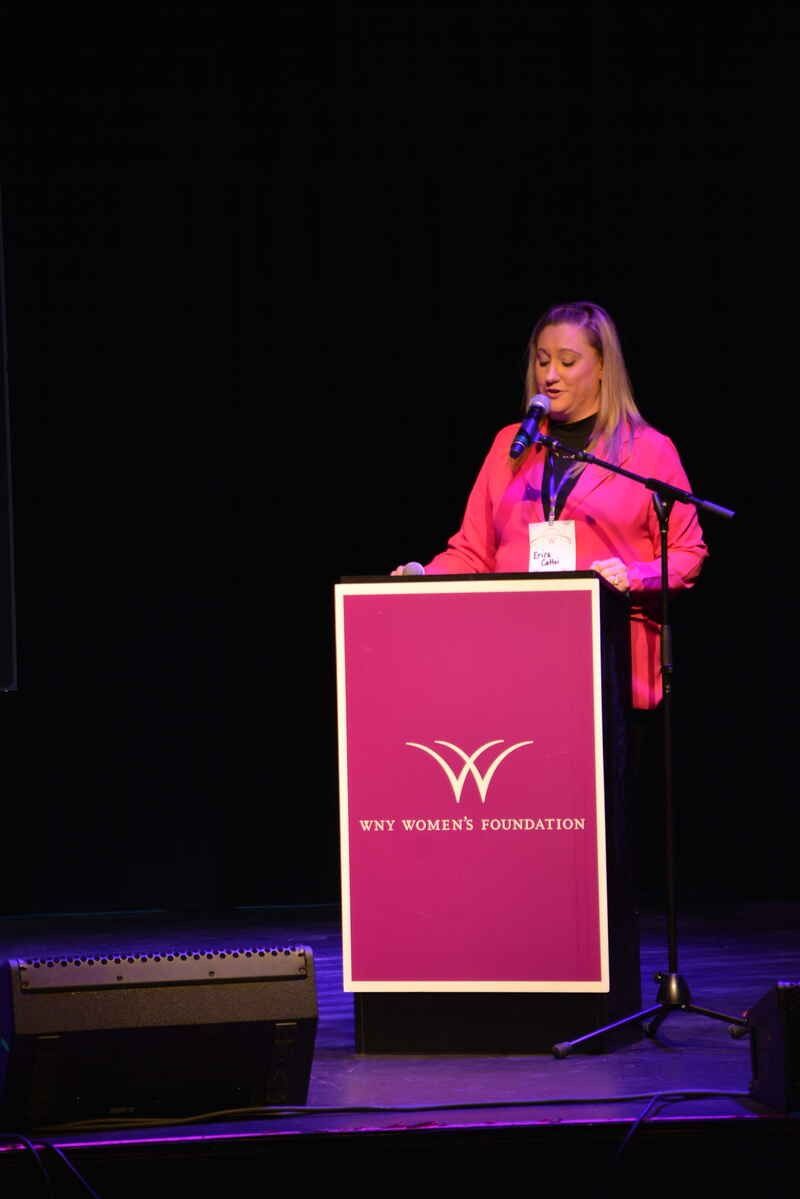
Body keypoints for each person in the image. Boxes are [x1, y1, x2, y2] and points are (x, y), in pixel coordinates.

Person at [391, 299, 708, 713]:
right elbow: (473, 551)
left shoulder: (649, 451)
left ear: (601, 369)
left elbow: (688, 554)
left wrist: (632, 576)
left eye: (567, 361)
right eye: (542, 362)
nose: (550, 375)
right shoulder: (511, 446)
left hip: (610, 667)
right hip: (516, 661)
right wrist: (423, 576)